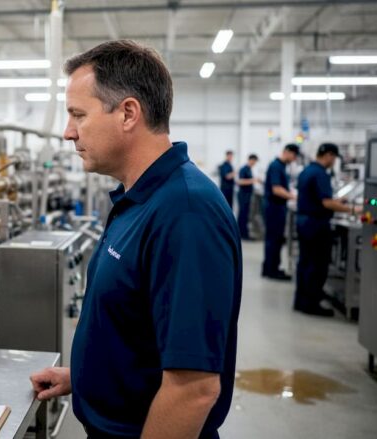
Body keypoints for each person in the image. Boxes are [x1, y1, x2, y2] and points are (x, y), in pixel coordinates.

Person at [28, 40, 242, 439]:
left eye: (78, 115)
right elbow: (141, 329)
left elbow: (193, 388)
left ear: (128, 113)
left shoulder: (185, 213)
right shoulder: (139, 198)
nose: (68, 132)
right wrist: (87, 376)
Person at [294, 143, 362, 317]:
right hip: (316, 225)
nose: (333, 162)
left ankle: (301, 301)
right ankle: (311, 304)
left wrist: (338, 201)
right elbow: (326, 203)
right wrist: (354, 210)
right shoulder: (320, 174)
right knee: (317, 265)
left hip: (304, 222)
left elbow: (318, 198)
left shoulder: (307, 171)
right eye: (334, 158)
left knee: (305, 263)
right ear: (329, 155)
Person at [261, 144, 299, 280]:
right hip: (274, 208)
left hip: (277, 207)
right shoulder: (276, 166)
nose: (294, 159)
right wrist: (294, 196)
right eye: (294, 156)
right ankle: (271, 270)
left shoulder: (281, 166)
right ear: (287, 152)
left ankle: (270, 268)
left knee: (275, 239)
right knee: (274, 239)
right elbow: (276, 189)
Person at [236, 154, 260, 240]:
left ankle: (244, 233)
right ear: (251, 160)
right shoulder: (244, 169)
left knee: (245, 215)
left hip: (247, 194)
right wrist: (253, 180)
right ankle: (242, 234)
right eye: (254, 161)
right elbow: (240, 182)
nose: (254, 163)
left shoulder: (249, 169)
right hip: (243, 195)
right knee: (243, 214)